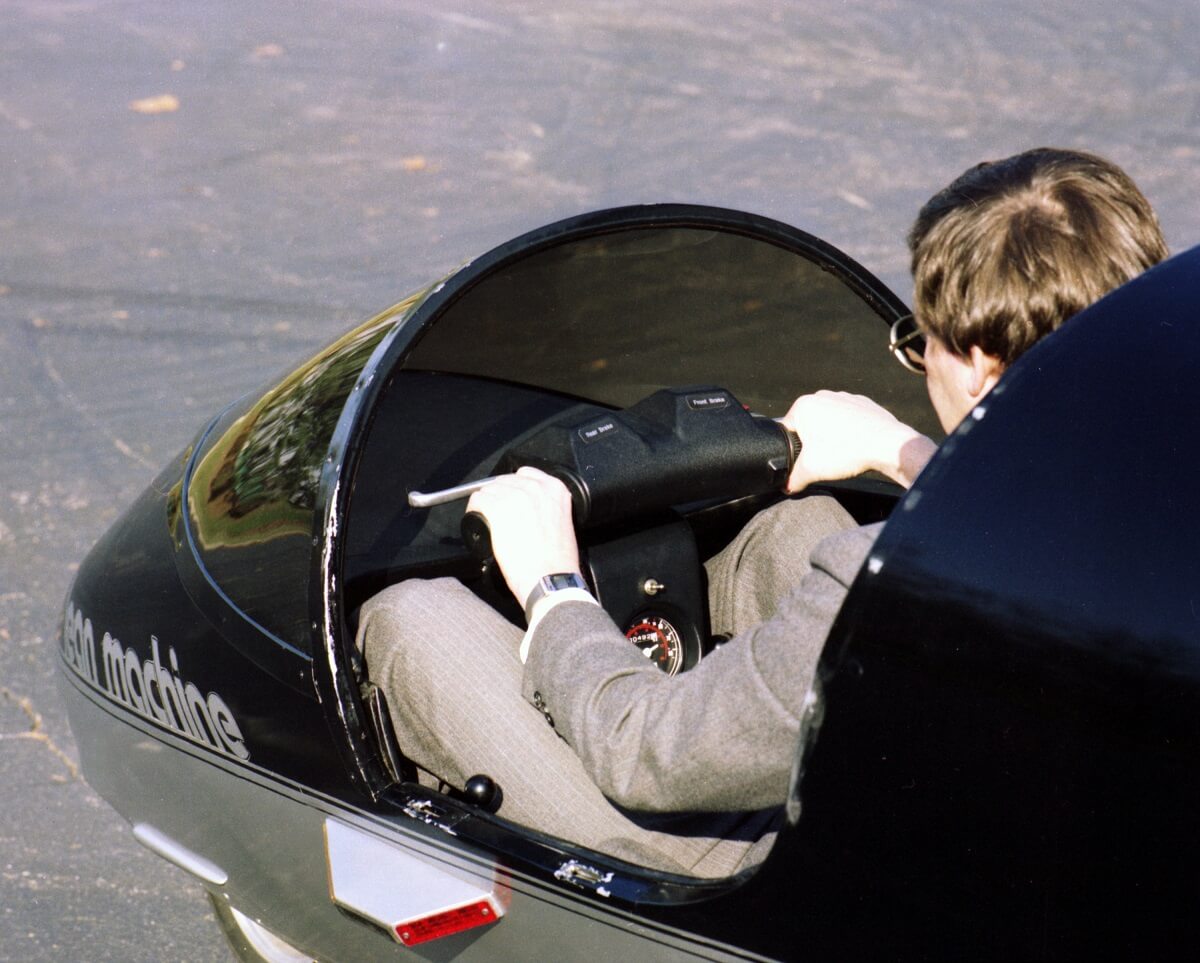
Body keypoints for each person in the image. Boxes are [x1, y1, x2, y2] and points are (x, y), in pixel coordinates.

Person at [358, 147, 1167, 878]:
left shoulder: (882, 586)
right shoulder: (1161, 486)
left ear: (983, 369)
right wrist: (905, 452)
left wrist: (554, 586)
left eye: (927, 342)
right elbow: (1038, 509)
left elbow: (644, 752)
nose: (922, 362)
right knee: (795, 529)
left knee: (413, 619)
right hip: (1029, 833)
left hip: (833, 884)